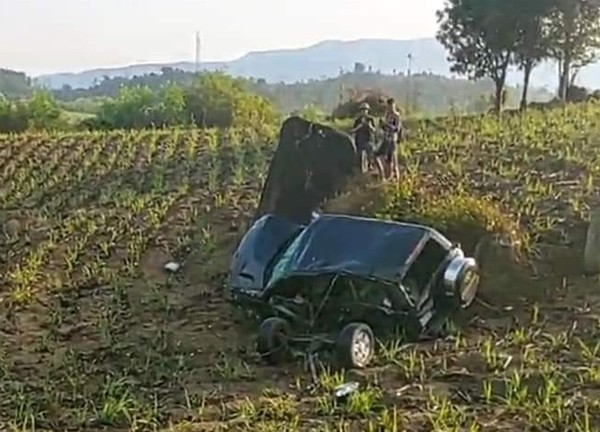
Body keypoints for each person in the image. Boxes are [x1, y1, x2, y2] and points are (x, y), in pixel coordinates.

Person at [375, 98, 402, 180]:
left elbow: (396, 129)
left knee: (392, 160)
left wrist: (386, 125)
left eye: (391, 106)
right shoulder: (387, 115)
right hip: (386, 139)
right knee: (377, 155)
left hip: (392, 139)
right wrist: (382, 125)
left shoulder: (396, 116)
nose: (390, 108)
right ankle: (382, 175)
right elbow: (384, 128)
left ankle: (395, 178)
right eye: (389, 106)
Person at [351, 102, 376, 173]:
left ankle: (370, 166)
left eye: (365, 110)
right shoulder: (357, 120)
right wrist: (359, 127)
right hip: (359, 141)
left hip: (369, 140)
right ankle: (360, 171)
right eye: (363, 110)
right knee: (360, 157)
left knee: (370, 155)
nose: (364, 111)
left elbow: (374, 130)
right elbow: (352, 130)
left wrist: (369, 126)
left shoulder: (370, 119)